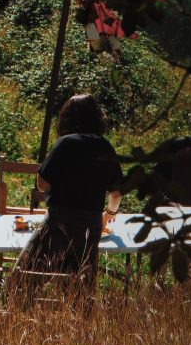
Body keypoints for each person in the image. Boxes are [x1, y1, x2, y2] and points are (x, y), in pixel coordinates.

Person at [15, 94, 123, 284]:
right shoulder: (105, 147)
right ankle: (80, 314)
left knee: (25, 275)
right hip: (92, 224)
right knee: (79, 282)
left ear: (67, 118)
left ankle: (19, 311)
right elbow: (116, 193)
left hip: (60, 220)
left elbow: (41, 182)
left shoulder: (65, 143)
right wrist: (109, 213)